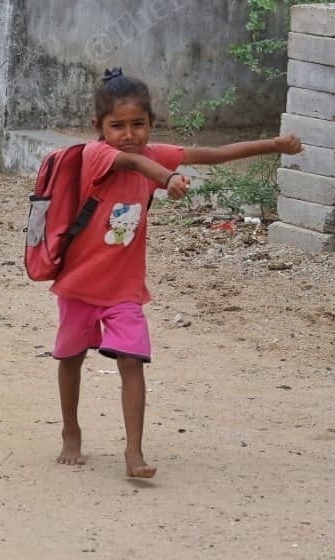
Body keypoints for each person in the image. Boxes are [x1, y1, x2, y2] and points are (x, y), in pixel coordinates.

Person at [53, 68, 302, 478]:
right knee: (71, 359)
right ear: (98, 127)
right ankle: (71, 431)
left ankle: (134, 452)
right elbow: (130, 161)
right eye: (117, 125)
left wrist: (273, 144)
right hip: (79, 286)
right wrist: (167, 178)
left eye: (139, 124)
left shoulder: (152, 154)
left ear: (152, 123)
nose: (129, 134)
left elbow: (211, 154)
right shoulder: (96, 155)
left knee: (132, 361)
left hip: (124, 290)